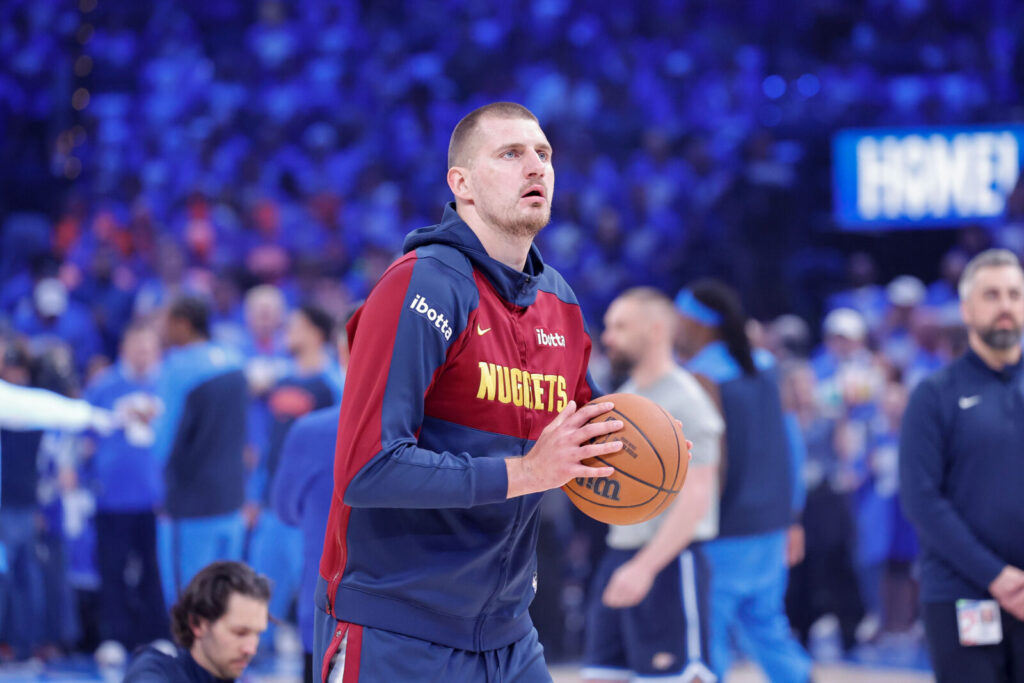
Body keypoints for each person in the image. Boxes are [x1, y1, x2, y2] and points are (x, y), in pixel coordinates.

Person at [314, 101, 636, 682]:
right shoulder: (419, 286)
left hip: (509, 632)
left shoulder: (560, 302)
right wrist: (526, 472)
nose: (535, 167)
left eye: (543, 154)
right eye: (510, 154)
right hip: (399, 630)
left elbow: (583, 439)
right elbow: (366, 469)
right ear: (460, 183)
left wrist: (641, 445)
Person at [581, 288, 722, 683]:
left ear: (656, 330)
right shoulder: (625, 398)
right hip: (620, 553)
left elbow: (697, 496)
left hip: (668, 562)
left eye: (621, 326)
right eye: (608, 326)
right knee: (599, 675)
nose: (608, 337)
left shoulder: (688, 399)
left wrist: (645, 567)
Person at [675, 280, 812, 683]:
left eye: (680, 320)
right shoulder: (768, 367)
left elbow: (709, 464)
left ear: (700, 325)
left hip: (724, 529)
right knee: (767, 625)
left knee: (708, 634)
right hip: (772, 525)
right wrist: (794, 515)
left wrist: (684, 523)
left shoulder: (699, 377)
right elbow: (793, 445)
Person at [899, 248, 1024, 682]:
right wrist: (996, 576)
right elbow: (921, 499)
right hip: (962, 593)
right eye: (991, 295)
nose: (1005, 305)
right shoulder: (934, 395)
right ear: (967, 309)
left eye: (1014, 294)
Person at [247, 304, 340, 656]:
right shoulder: (281, 380)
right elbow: (268, 445)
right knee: (260, 590)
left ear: (316, 333)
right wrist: (254, 494)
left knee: (312, 595)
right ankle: (251, 658)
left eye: (296, 325)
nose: (288, 330)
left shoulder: (332, 384)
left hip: (313, 510)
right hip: (274, 502)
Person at [153, 296, 248, 606]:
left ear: (183, 324)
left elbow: (164, 443)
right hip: (232, 502)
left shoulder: (178, 367)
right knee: (225, 602)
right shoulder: (235, 360)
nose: (162, 328)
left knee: (189, 604)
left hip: (191, 508)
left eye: (166, 321)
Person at [83, 322, 168, 652]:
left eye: (149, 348)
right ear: (124, 349)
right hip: (112, 496)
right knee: (112, 568)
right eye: (137, 348)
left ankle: (157, 635)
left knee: (155, 570)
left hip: (155, 497)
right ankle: (113, 637)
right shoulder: (104, 386)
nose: (143, 355)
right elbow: (83, 432)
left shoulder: (167, 384)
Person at [123, 560, 270, 682]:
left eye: (257, 634)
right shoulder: (154, 670)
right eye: (240, 633)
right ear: (198, 624)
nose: (251, 649)